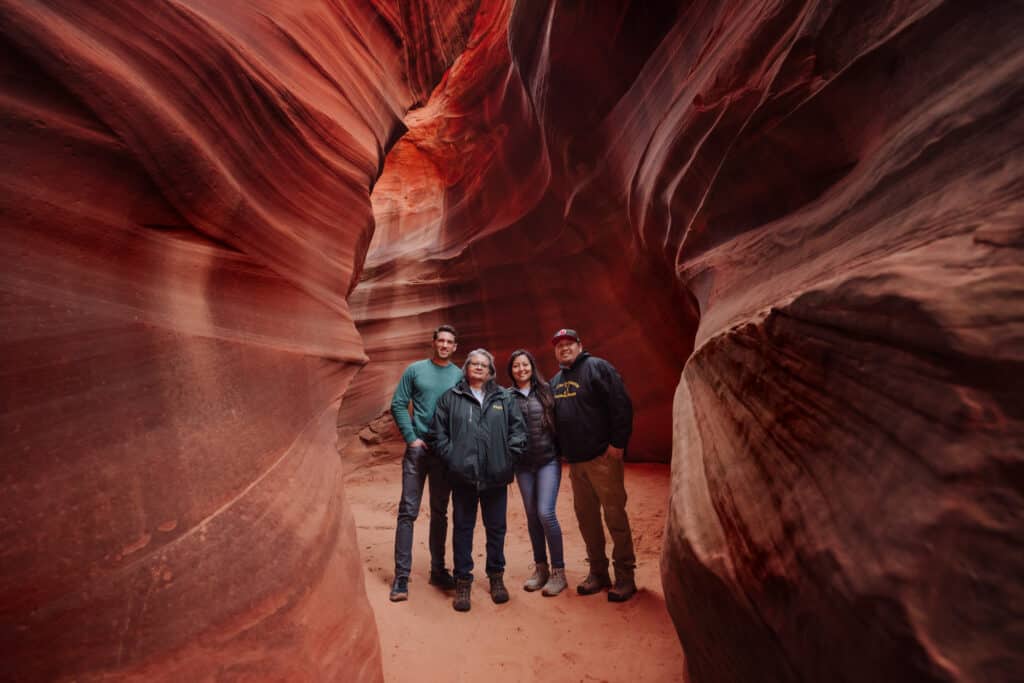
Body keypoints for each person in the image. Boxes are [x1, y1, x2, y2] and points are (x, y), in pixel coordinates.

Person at [430, 349, 526, 612]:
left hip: (496, 477)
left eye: (485, 364)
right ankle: (463, 580)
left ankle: (496, 577)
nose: (480, 367)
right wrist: (454, 460)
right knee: (463, 529)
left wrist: (507, 459)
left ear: (491, 370)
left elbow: (518, 431)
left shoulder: (504, 398)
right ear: (467, 367)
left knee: (496, 529)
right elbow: (438, 434)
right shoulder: (451, 398)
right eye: (475, 363)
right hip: (463, 478)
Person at [549, 328, 637, 602]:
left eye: (568, 343)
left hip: (602, 458)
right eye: (559, 345)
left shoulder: (597, 368)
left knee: (615, 517)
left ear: (579, 345)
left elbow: (621, 404)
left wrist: (617, 444)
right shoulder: (555, 381)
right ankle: (598, 573)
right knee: (587, 520)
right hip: (576, 463)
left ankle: (625, 577)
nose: (564, 348)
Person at [388, 324, 463, 602]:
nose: (444, 345)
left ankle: (438, 570)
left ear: (455, 348)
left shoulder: (459, 376)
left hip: (444, 454)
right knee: (408, 510)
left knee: (440, 512)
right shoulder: (415, 370)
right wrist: (411, 438)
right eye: (440, 340)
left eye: (449, 342)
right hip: (418, 451)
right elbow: (398, 403)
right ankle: (401, 576)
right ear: (433, 343)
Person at [507, 349, 567, 596]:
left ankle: (558, 572)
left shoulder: (546, 391)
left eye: (525, 365)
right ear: (511, 371)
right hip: (523, 466)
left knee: (545, 513)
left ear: (531, 366)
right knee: (532, 516)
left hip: (547, 461)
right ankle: (541, 569)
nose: (521, 369)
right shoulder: (507, 396)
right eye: (516, 366)